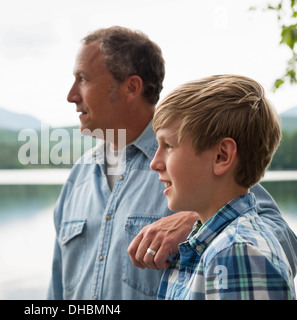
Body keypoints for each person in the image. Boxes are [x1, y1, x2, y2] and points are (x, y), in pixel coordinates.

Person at [47, 26, 297, 300]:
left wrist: (200, 222)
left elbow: (274, 239)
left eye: (83, 79)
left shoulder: (197, 157)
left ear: (131, 86)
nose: (71, 95)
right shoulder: (78, 177)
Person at [150, 74, 295, 299]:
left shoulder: (236, 253)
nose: (155, 163)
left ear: (221, 156)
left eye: (168, 145)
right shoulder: (212, 246)